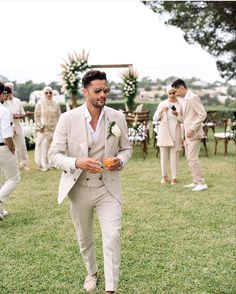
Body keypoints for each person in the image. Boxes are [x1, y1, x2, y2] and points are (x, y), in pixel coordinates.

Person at [48, 70, 132, 293]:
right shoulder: (68, 119)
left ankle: (110, 288)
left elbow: (126, 148)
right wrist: (77, 162)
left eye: (106, 90)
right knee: (84, 238)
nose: (103, 94)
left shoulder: (117, 117)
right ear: (85, 91)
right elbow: (53, 155)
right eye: (98, 90)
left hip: (108, 188)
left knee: (112, 235)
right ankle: (92, 272)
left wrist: (120, 161)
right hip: (79, 188)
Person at [172, 79, 208, 191]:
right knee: (189, 158)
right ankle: (195, 181)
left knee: (193, 158)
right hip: (186, 134)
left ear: (181, 88)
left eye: (176, 91)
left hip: (193, 133)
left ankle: (202, 183)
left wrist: (193, 128)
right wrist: (176, 114)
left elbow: (202, 114)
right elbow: (184, 118)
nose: (175, 94)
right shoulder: (185, 100)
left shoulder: (193, 98)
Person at [153, 84, 183, 185]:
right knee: (163, 156)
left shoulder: (180, 104)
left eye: (173, 93)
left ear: (176, 92)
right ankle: (164, 176)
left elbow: (183, 119)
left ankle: (174, 177)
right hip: (164, 132)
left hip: (175, 132)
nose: (172, 95)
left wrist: (177, 115)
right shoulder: (162, 103)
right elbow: (155, 118)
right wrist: (162, 110)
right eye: (170, 93)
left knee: (174, 156)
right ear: (167, 93)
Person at [0, 82, 20, 220]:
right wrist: (12, 148)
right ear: (1, 94)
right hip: (3, 147)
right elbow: (7, 135)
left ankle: (0, 212)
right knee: (14, 178)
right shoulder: (3, 111)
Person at [4, 82, 30, 170]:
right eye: (8, 88)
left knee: (22, 146)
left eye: (11, 88)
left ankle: (24, 164)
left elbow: (22, 112)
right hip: (8, 128)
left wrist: (21, 115)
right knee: (8, 148)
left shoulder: (18, 100)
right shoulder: (3, 101)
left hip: (18, 126)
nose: (10, 90)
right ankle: (12, 166)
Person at [34, 86, 61, 171]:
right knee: (43, 147)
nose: (48, 94)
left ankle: (52, 163)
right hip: (43, 130)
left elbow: (59, 116)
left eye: (50, 92)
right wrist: (40, 126)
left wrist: (59, 128)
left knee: (53, 148)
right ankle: (43, 164)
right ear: (43, 94)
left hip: (54, 129)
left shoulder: (56, 103)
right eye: (46, 93)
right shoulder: (40, 103)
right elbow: (37, 116)